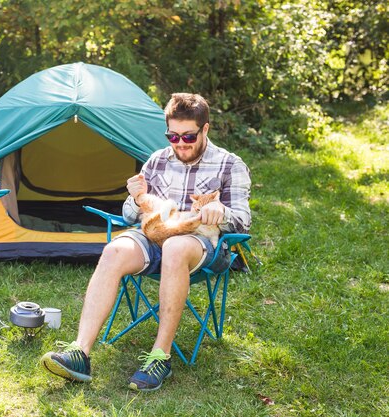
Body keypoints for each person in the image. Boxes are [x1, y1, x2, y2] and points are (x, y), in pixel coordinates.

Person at [40, 93, 251, 391]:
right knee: (114, 250)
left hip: (199, 242)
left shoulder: (229, 164)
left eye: (188, 136)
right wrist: (135, 196)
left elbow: (243, 220)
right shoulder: (157, 160)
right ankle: (80, 353)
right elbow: (128, 214)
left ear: (205, 129)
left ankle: (159, 357)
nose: (180, 144)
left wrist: (221, 211)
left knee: (175, 247)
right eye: (173, 136)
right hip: (153, 235)